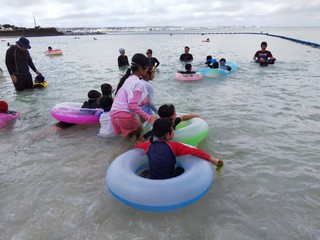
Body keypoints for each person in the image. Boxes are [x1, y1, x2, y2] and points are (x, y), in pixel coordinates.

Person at [134, 118, 224, 179]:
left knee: (147, 171)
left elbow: (136, 147)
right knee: (180, 170)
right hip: (171, 178)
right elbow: (196, 152)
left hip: (153, 179)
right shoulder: (175, 146)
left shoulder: (147, 145)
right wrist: (214, 160)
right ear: (168, 134)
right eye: (172, 130)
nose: (174, 132)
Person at [110, 53, 158, 139]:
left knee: (129, 137)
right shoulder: (139, 83)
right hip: (124, 116)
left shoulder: (128, 79)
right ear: (140, 68)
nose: (147, 70)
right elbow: (131, 105)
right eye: (147, 68)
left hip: (114, 115)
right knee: (142, 137)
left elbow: (127, 102)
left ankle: (123, 151)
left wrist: (143, 102)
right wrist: (148, 117)